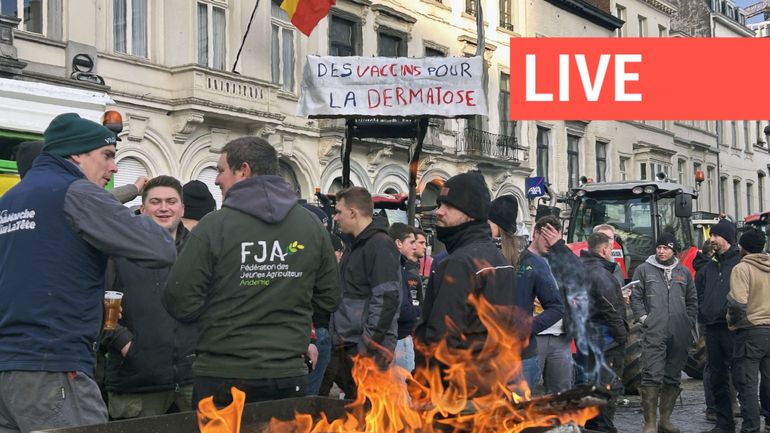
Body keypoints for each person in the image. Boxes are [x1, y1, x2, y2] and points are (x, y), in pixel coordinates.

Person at [0, 112, 176, 433]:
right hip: (55, 368)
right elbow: (159, 248)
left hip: (8, 372)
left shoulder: (9, 201)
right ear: (76, 154)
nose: (115, 167)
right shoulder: (76, 192)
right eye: (107, 155)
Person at [162, 137, 340, 406]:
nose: (217, 180)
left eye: (221, 170)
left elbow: (178, 300)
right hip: (287, 374)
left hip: (223, 375)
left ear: (243, 170)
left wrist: (223, 310)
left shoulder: (214, 226)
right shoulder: (311, 226)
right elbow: (329, 298)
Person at [102, 176, 197, 419]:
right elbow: (98, 304)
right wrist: (125, 344)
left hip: (191, 382)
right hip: (136, 385)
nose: (164, 208)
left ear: (182, 208)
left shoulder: (198, 251)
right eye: (155, 201)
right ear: (143, 208)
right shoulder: (117, 250)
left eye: (171, 201)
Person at [414, 172, 517, 394]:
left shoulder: (459, 263)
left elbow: (441, 337)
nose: (439, 211)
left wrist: (425, 386)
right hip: (488, 384)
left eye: (449, 206)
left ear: (470, 215)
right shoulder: (499, 260)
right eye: (440, 204)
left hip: (455, 391)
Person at [330, 186, 401, 400]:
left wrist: (366, 347)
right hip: (352, 346)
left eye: (339, 212)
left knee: (371, 414)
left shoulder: (379, 245)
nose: (336, 217)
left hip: (367, 353)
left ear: (353, 213)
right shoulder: (356, 245)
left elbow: (386, 299)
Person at [489, 196, 564, 391]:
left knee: (516, 416)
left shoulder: (532, 263)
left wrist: (528, 327)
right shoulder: (481, 257)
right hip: (484, 355)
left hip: (520, 357)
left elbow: (556, 307)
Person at [631, 232, 697, 433]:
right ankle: (650, 422)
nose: (661, 251)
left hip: (678, 332)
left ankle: (665, 420)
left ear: (673, 250)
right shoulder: (643, 270)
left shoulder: (683, 272)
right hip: (654, 331)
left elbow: (692, 300)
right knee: (651, 374)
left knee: (673, 376)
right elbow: (636, 298)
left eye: (666, 248)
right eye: (659, 247)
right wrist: (644, 319)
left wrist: (688, 321)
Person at [580, 231, 628, 433]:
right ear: (604, 249)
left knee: (590, 382)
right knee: (608, 385)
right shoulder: (601, 274)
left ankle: (591, 423)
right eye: (610, 248)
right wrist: (622, 334)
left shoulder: (579, 268)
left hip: (586, 334)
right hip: (606, 338)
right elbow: (610, 308)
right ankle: (603, 426)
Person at [697, 219, 741, 433]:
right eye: (711, 235)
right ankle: (724, 422)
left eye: (716, 236)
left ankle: (752, 420)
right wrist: (703, 313)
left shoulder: (739, 264)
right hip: (712, 328)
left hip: (733, 328)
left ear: (728, 239)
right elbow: (701, 292)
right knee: (717, 377)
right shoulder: (710, 266)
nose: (711, 239)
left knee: (742, 377)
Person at [727, 228, 770, 433]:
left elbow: (737, 304)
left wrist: (734, 323)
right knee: (769, 380)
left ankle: (751, 427)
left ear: (743, 248)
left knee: (747, 384)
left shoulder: (742, 268)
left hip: (751, 330)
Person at [526, 217, 573, 394]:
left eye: (555, 239)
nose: (550, 244)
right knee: (525, 391)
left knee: (561, 394)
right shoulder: (521, 259)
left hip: (561, 335)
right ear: (535, 233)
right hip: (533, 335)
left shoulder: (560, 261)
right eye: (546, 237)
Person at [389, 223, 423, 373]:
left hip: (398, 335)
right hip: (399, 337)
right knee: (403, 389)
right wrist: (413, 317)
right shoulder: (394, 267)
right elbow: (401, 304)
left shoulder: (399, 265)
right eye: (411, 242)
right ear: (398, 243)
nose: (415, 247)